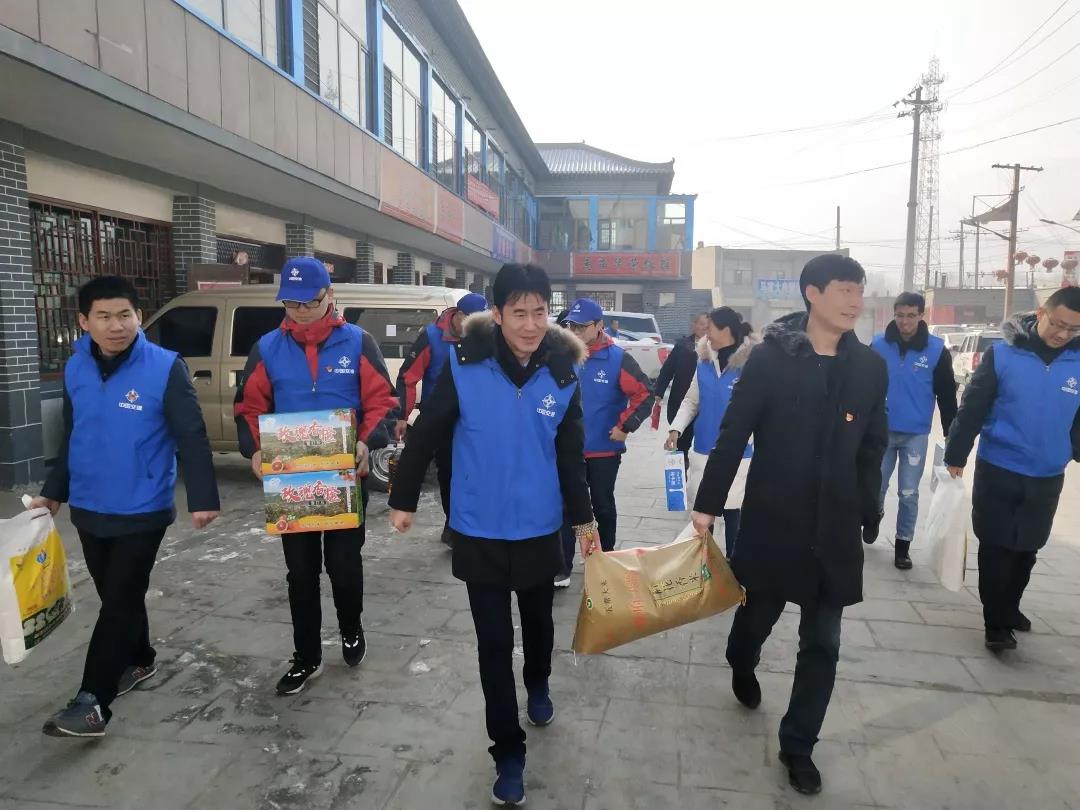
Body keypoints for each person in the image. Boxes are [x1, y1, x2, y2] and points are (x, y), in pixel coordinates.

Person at [387, 263, 595, 807]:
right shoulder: (465, 367)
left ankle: (539, 682)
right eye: (518, 313)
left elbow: (570, 457)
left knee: (539, 627)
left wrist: (585, 521)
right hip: (478, 528)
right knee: (494, 644)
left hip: (538, 528)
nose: (530, 325)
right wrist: (403, 498)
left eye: (539, 313)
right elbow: (427, 432)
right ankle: (507, 753)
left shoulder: (562, 375)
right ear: (497, 314)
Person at [691, 255, 888, 795]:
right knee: (758, 615)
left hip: (835, 527)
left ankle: (798, 745)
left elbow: (872, 444)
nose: (855, 301)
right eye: (844, 290)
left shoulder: (869, 367)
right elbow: (733, 434)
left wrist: (869, 508)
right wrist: (707, 506)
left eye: (859, 291)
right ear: (812, 294)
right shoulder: (770, 360)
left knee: (823, 641)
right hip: (776, 518)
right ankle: (741, 659)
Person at [32, 276, 220, 738]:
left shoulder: (165, 367)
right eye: (104, 316)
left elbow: (191, 434)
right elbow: (73, 433)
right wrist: (54, 490)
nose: (116, 326)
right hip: (89, 505)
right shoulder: (76, 367)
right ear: (84, 321)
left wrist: (203, 497)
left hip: (142, 506)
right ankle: (140, 658)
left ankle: (92, 701)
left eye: (125, 315)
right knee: (118, 595)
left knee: (118, 601)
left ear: (139, 317)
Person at [234, 257, 398, 695]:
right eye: (292, 303)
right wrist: (256, 448)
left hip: (344, 475)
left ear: (330, 296)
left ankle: (351, 627)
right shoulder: (267, 347)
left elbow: (382, 401)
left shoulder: (358, 342)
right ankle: (306, 656)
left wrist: (366, 441)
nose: (301, 311)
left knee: (343, 566)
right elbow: (249, 406)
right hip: (292, 480)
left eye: (310, 302)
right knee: (301, 572)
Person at [944, 287, 1080, 651]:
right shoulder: (1003, 355)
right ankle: (995, 623)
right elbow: (972, 407)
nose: (1064, 334)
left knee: (1028, 548)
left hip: (1047, 473)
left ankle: (1010, 606)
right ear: (1041, 313)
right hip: (999, 467)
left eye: (1073, 330)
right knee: (996, 545)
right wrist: (956, 454)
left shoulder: (1078, 362)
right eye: (1059, 324)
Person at [556, 298, 652, 586]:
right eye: (570, 326)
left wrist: (625, 426)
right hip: (566, 449)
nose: (574, 331)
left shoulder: (617, 359)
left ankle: (606, 559)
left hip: (602, 449)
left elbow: (645, 393)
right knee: (564, 507)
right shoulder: (561, 356)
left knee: (602, 505)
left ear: (599, 325)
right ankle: (561, 567)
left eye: (581, 326)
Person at [393, 292, 490, 546]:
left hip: (474, 421)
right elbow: (408, 377)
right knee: (448, 474)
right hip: (440, 420)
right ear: (458, 315)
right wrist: (402, 416)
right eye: (472, 320)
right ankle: (452, 524)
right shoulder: (432, 337)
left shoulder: (485, 339)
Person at [870, 292, 957, 569]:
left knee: (908, 493)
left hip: (915, 435)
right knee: (876, 486)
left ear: (921, 315)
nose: (904, 322)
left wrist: (952, 437)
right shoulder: (877, 346)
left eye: (911, 316)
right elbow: (863, 387)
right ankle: (873, 516)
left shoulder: (936, 350)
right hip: (881, 432)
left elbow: (947, 396)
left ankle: (902, 546)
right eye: (900, 315)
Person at [665, 307, 757, 557]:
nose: (706, 335)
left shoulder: (751, 365)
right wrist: (676, 428)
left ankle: (733, 565)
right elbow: (691, 401)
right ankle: (705, 564)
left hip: (738, 453)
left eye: (710, 329)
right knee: (704, 515)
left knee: (733, 512)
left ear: (726, 330)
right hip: (704, 449)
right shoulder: (704, 362)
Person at [654, 312, 710, 464]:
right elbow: (668, 370)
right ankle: (682, 471)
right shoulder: (682, 346)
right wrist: (659, 392)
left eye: (707, 325)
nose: (704, 328)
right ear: (694, 325)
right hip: (680, 400)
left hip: (704, 403)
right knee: (681, 442)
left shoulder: (714, 349)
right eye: (701, 324)